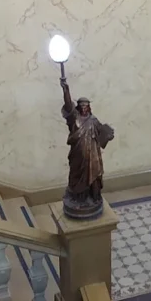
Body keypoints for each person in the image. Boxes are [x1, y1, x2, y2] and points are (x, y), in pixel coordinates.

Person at [61, 76, 115, 218]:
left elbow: (101, 134)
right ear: (78, 108)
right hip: (78, 155)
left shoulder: (93, 120)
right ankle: (78, 198)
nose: (84, 109)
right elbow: (68, 106)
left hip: (93, 155)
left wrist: (108, 134)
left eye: (86, 106)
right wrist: (66, 90)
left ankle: (93, 196)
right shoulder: (74, 118)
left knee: (94, 175)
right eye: (82, 106)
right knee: (77, 176)